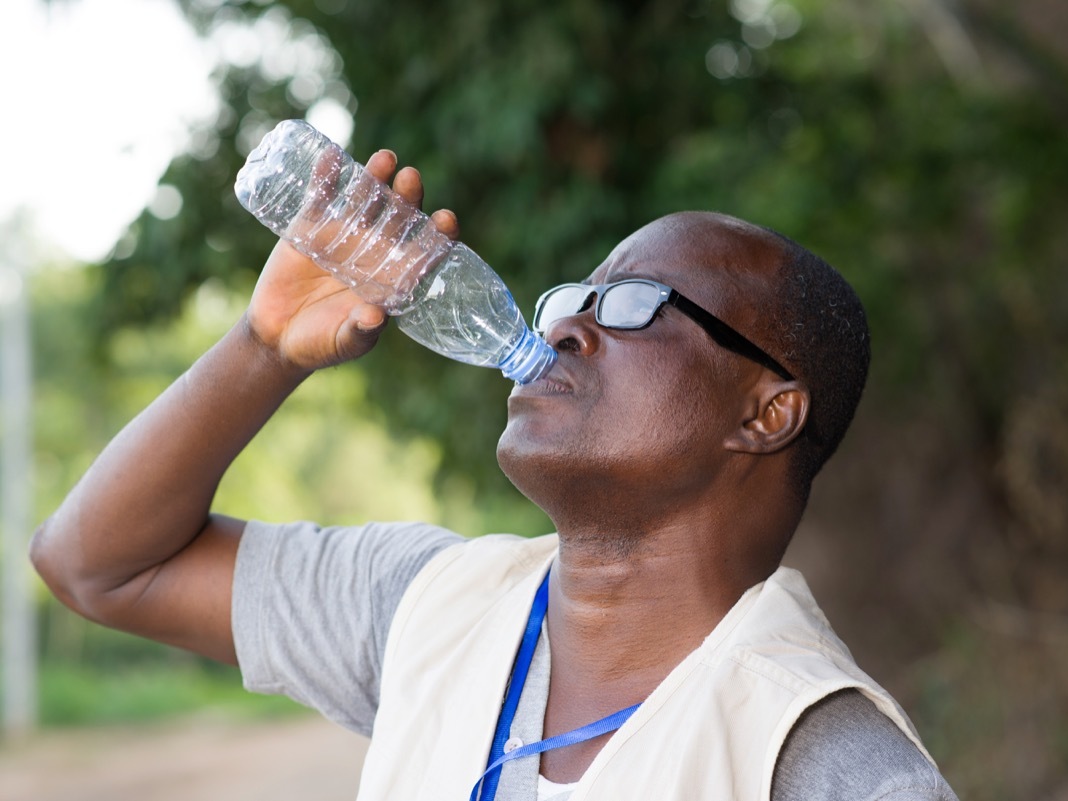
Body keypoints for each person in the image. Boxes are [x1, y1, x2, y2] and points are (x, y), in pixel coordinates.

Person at [31, 147, 959, 801]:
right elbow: (99, 564)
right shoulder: (431, 606)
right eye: (572, 296)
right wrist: (263, 349)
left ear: (766, 412)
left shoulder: (814, 757)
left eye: (636, 304)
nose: (565, 327)